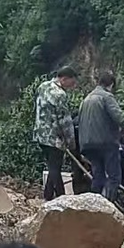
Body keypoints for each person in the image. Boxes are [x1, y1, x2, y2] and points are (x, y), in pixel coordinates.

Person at [77, 72, 124, 202]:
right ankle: (108, 206)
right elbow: (119, 116)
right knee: (114, 177)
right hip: (105, 143)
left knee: (97, 176)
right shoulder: (106, 97)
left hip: (87, 144)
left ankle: (94, 206)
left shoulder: (86, 99)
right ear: (110, 85)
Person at [33, 65, 79, 201]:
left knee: (53, 166)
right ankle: (59, 197)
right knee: (55, 167)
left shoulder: (43, 86)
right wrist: (71, 143)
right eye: (72, 82)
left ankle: (51, 195)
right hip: (54, 138)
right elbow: (65, 122)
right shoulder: (60, 95)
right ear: (64, 79)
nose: (73, 85)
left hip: (40, 134)